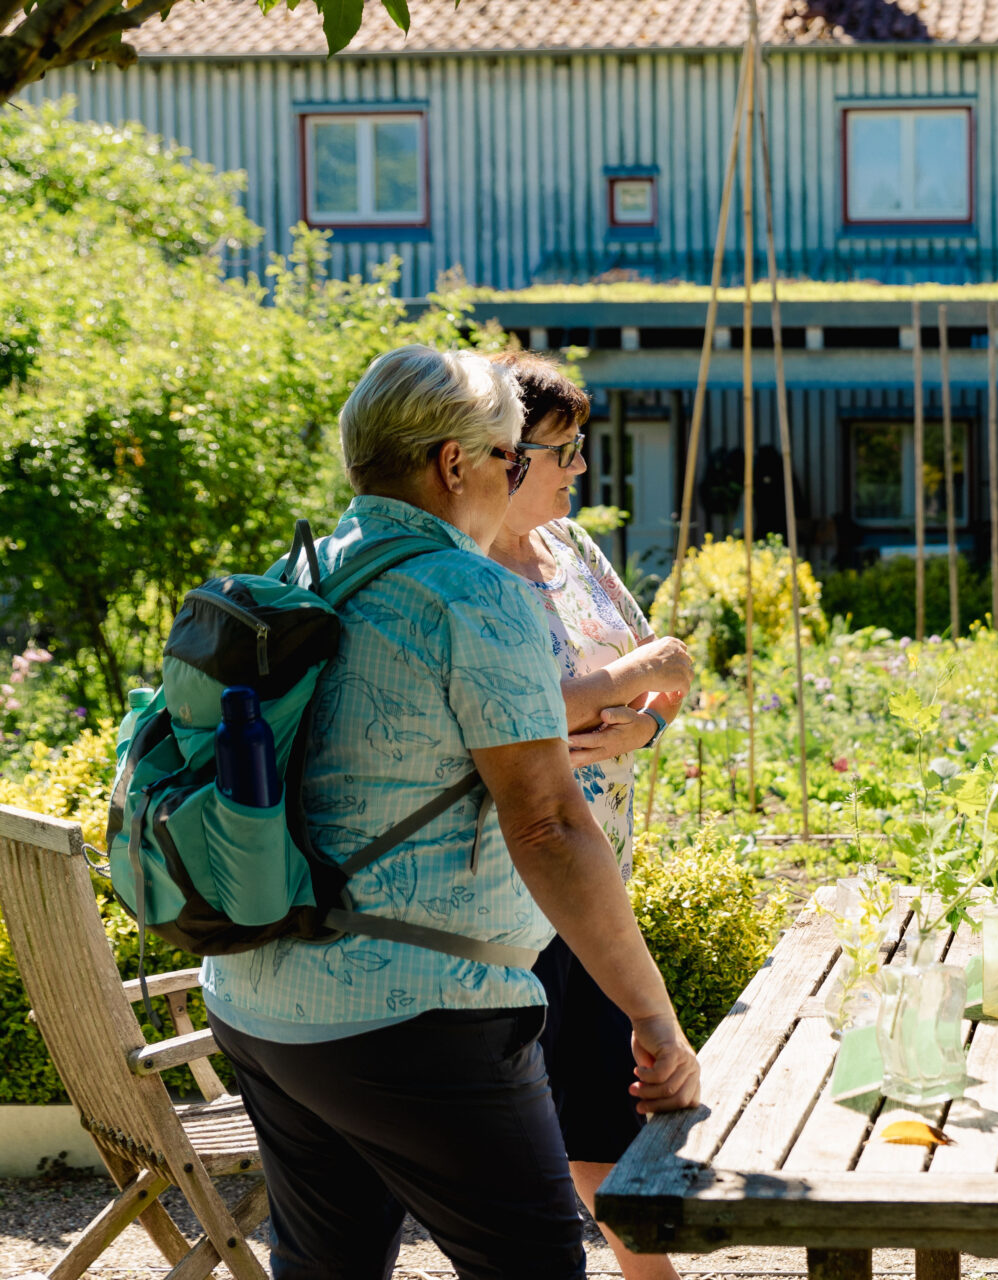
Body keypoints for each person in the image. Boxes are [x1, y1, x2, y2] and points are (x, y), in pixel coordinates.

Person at [202, 345, 700, 1280]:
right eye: (515, 458)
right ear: (453, 464)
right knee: (534, 1264)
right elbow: (548, 825)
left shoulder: (303, 570)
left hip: (261, 1001)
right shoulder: (474, 595)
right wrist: (655, 1021)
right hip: (412, 1015)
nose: (520, 476)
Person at [485, 351, 693, 1280]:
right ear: (501, 456)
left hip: (598, 866)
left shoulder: (573, 552)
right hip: (522, 879)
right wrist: (634, 675)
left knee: (596, 1104)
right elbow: (524, 707)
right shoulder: (469, 571)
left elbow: (673, 666)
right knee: (598, 1108)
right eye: (563, 452)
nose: (579, 470)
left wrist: (643, 720)